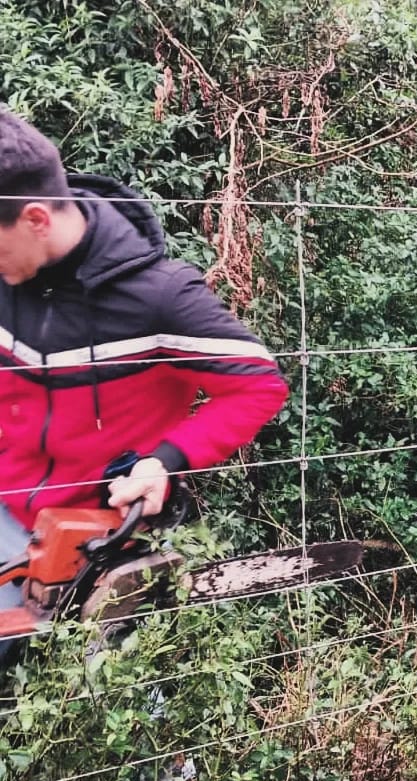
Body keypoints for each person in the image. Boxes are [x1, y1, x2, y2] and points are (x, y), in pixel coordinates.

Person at [0, 110, 288, 638]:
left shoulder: (158, 296)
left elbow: (258, 384)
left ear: (36, 219)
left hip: (97, 532)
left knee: (111, 691)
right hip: (6, 507)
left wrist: (164, 462)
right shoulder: (11, 273)